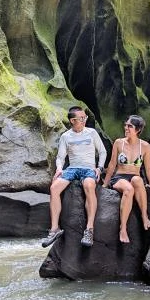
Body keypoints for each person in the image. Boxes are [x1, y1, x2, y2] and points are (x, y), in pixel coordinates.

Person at [41, 106, 107, 248]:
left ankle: (89, 229)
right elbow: (60, 157)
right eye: (81, 118)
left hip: (89, 168)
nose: (84, 120)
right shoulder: (66, 136)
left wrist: (99, 168)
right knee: (54, 188)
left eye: (85, 118)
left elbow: (102, 152)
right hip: (72, 168)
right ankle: (54, 229)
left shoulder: (92, 133)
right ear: (73, 120)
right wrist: (59, 169)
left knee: (89, 185)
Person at [102, 115, 150, 243]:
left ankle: (144, 216)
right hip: (119, 178)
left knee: (138, 180)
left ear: (138, 130)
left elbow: (148, 167)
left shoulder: (145, 146)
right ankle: (123, 229)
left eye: (130, 126)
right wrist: (105, 184)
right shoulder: (119, 143)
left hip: (135, 177)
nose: (126, 128)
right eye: (126, 125)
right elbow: (112, 164)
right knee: (129, 189)